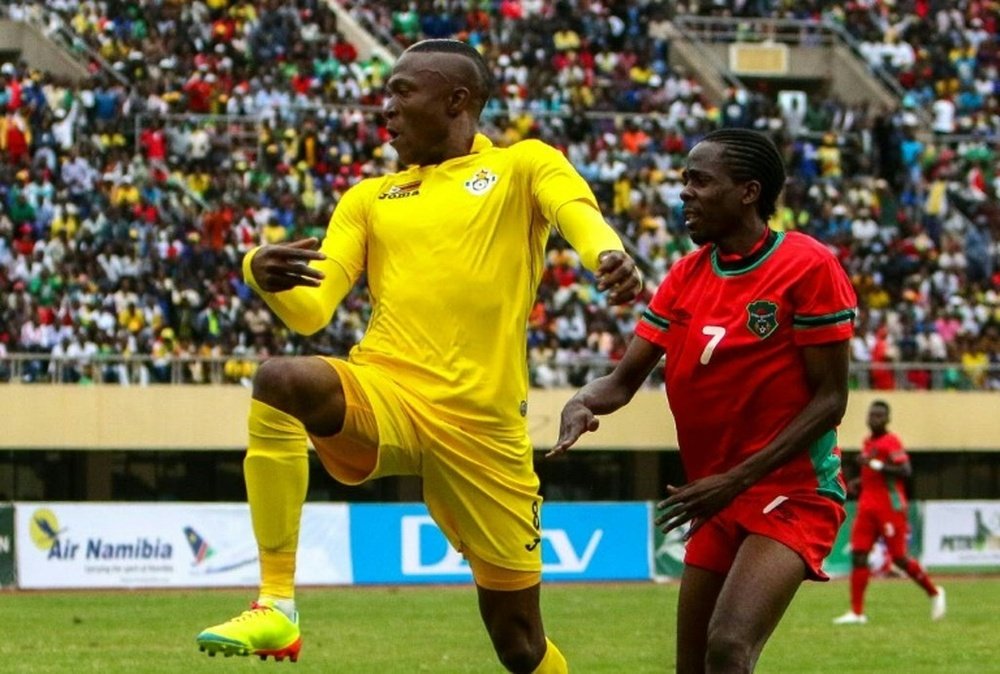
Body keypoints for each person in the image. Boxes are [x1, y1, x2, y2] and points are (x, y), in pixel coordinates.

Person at [195, 39, 642, 673]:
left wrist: (606, 253)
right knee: (280, 380)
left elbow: (576, 212)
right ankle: (276, 605)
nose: (387, 109)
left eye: (403, 92)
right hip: (390, 392)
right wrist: (260, 274)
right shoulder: (370, 198)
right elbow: (313, 311)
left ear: (457, 100)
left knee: (519, 645)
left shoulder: (522, 166)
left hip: (482, 429)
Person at [550, 128, 857, 673]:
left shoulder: (808, 266)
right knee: (692, 665)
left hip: (792, 492)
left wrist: (736, 479)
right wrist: (582, 402)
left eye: (699, 181)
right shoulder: (686, 275)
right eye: (684, 180)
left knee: (729, 645)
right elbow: (621, 383)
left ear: (748, 192)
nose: (684, 193)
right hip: (714, 497)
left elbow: (831, 401)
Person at [832, 400, 945, 625]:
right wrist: (859, 481)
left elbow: (905, 470)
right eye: (871, 415)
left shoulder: (891, 442)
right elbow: (875, 475)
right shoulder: (868, 442)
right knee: (859, 555)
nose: (874, 419)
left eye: (879, 416)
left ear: (887, 419)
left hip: (889, 507)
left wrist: (874, 465)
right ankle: (857, 612)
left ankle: (934, 592)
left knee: (899, 558)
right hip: (867, 506)